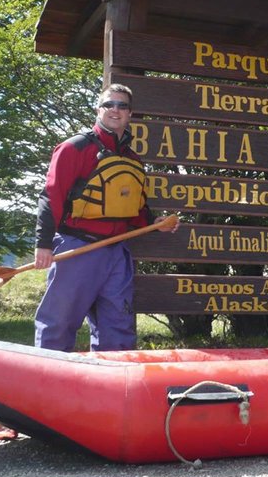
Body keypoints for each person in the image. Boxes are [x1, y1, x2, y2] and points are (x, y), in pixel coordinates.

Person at [33, 83, 177, 352]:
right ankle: (45, 380)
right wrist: (43, 244)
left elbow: (136, 207)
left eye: (122, 106)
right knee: (59, 322)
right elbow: (50, 195)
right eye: (109, 104)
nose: (115, 109)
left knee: (118, 326)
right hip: (77, 248)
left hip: (116, 252)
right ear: (98, 109)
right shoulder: (74, 147)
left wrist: (153, 224)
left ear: (130, 114)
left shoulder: (133, 159)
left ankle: (114, 383)